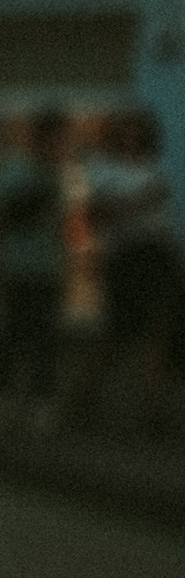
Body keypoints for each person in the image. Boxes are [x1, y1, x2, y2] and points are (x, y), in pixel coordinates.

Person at [83, 106, 181, 439]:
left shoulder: (151, 167)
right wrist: (140, 202)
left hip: (157, 255)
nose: (132, 135)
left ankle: (154, 410)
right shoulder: (103, 168)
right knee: (114, 336)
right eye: (126, 129)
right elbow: (97, 215)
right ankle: (82, 401)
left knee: (160, 331)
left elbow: (161, 220)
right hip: (126, 257)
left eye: (139, 129)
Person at [0, 106, 70, 431]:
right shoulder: (13, 171)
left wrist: (65, 264)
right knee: (12, 333)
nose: (59, 146)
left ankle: (41, 404)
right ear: (43, 137)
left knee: (46, 338)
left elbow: (59, 225)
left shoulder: (56, 175)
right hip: (17, 266)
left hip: (47, 268)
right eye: (56, 139)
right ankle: (0, 399)